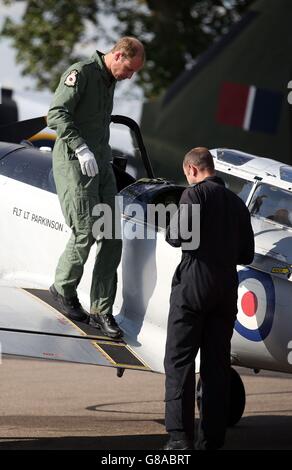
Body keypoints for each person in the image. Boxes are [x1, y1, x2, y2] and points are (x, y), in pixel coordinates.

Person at [47, 37, 145, 338]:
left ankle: (101, 310)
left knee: (113, 235)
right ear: (117, 55)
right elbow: (56, 114)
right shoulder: (82, 73)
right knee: (86, 228)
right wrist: (79, 148)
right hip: (75, 162)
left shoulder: (108, 79)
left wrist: (97, 155)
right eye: (128, 69)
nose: (129, 76)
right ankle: (63, 288)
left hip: (100, 164)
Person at [163, 147, 254, 450]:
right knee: (216, 367)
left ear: (191, 169)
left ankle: (179, 438)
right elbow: (247, 254)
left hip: (194, 285)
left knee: (180, 361)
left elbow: (177, 236)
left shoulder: (194, 195)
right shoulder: (238, 204)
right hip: (226, 289)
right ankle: (212, 441)